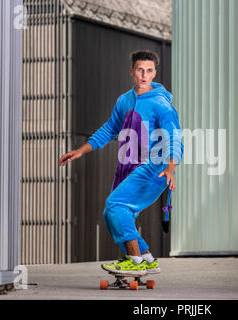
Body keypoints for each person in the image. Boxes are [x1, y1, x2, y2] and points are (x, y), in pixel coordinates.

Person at [58, 50, 183, 275]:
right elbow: (109, 129)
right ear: (132, 71)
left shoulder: (160, 103)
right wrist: (81, 151)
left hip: (155, 167)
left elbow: (174, 136)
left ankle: (134, 262)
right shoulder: (124, 100)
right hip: (129, 166)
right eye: (140, 70)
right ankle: (146, 260)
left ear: (155, 73)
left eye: (149, 70)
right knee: (111, 213)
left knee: (116, 206)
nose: (145, 75)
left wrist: (171, 167)